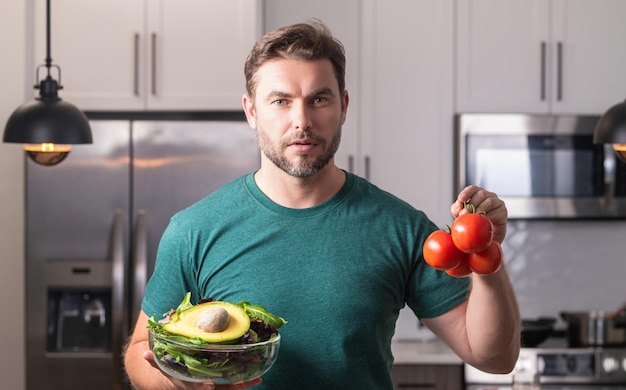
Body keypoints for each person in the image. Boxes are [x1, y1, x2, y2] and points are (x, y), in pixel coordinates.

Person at [124, 20, 520, 390]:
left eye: (319, 99)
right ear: (251, 111)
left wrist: (486, 256)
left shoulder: (402, 227)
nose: (302, 120)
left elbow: (494, 358)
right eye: (280, 101)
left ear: (343, 106)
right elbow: (139, 352)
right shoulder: (194, 229)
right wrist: (181, 384)